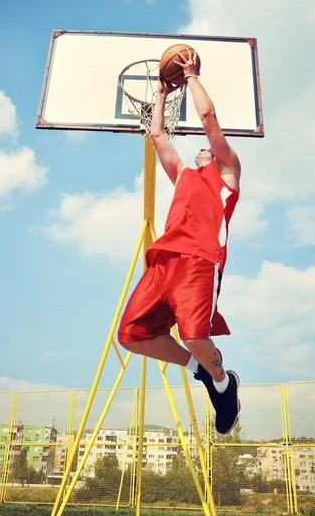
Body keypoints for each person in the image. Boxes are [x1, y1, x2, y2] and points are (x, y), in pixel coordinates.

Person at [118, 48, 241, 435]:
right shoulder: (185, 174)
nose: (203, 147)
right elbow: (157, 134)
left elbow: (208, 118)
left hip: (200, 262)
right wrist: (160, 94)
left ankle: (223, 382)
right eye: (202, 147)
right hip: (164, 263)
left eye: (209, 146)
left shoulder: (228, 173)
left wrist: (189, 75)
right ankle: (199, 371)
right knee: (131, 335)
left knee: (193, 334)